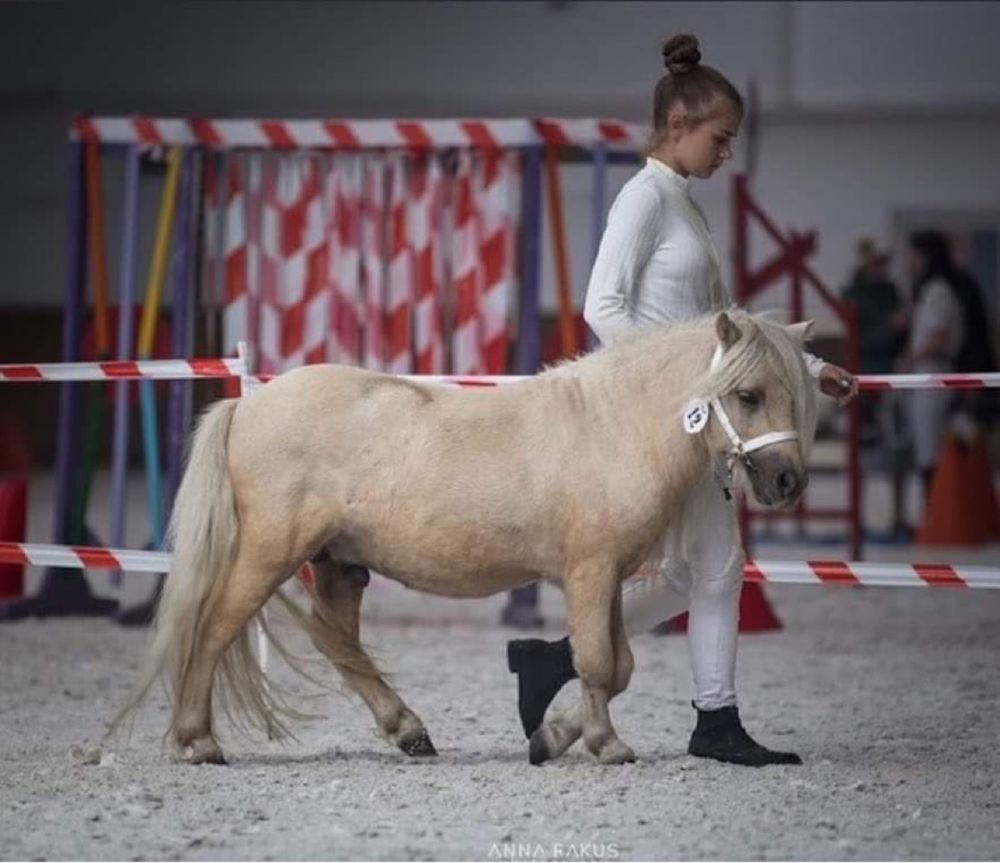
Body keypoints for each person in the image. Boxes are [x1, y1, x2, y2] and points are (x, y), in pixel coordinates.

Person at [506, 34, 858, 768]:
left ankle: (561, 659)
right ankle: (710, 719)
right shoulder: (643, 199)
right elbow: (603, 304)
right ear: (678, 128)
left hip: (698, 418)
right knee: (716, 567)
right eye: (720, 138)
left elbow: (731, 324)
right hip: (671, 420)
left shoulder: (684, 206)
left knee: (690, 571)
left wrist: (810, 364)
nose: (728, 152)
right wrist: (682, 384)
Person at [904, 231, 968, 496]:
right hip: (925, 371)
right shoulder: (930, 291)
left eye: (915, 256)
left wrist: (909, 359)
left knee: (930, 444)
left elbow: (938, 338)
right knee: (923, 443)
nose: (911, 261)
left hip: (933, 372)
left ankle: (935, 506)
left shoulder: (939, 291)